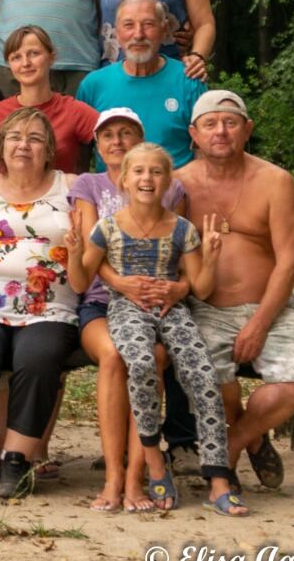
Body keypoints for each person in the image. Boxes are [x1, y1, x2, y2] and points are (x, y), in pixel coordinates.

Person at [67, 143, 246, 516]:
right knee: (142, 363)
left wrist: (210, 259)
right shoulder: (108, 227)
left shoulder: (182, 229)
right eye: (139, 172)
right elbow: (82, 281)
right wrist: (73, 253)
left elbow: (200, 287)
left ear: (168, 181)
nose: (147, 179)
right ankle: (154, 460)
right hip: (128, 310)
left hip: (172, 310)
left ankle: (218, 480)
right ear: (124, 180)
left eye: (156, 172)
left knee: (202, 374)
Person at [177, 90, 294, 491]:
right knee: (203, 371)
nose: (220, 131)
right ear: (194, 133)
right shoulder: (179, 185)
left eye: (230, 122)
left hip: (273, 309)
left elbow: (289, 261)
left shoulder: (276, 182)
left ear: (247, 130)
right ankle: (256, 438)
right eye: (210, 124)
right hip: (207, 310)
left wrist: (260, 323)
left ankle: (234, 443)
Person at [0, 107, 79, 499]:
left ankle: (15, 462)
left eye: (35, 138)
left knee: (37, 359)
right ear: (0, 148)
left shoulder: (71, 187)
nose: (24, 144)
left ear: (50, 150)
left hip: (50, 303)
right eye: (15, 137)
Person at [67, 108, 188, 512]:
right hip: (101, 301)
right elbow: (87, 252)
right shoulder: (88, 184)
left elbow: (186, 259)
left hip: (156, 307)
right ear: (97, 146)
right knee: (116, 356)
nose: (116, 142)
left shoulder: (171, 188)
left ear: (141, 141)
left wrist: (176, 289)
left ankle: (137, 477)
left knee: (152, 356)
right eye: (107, 136)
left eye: (126, 134)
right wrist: (119, 283)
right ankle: (113, 479)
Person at [76, 0, 206, 168]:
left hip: (175, 191)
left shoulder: (189, 79)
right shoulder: (93, 85)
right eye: (128, 25)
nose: (138, 34)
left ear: (164, 28)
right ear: (117, 31)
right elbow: (80, 156)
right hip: (112, 193)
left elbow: (205, 154)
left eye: (148, 24)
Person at [0, 26, 98, 176]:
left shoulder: (73, 110)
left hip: (60, 196)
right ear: (9, 65)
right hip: (6, 198)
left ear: (51, 57)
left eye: (34, 53)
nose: (26, 63)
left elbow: (115, 135)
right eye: (16, 57)